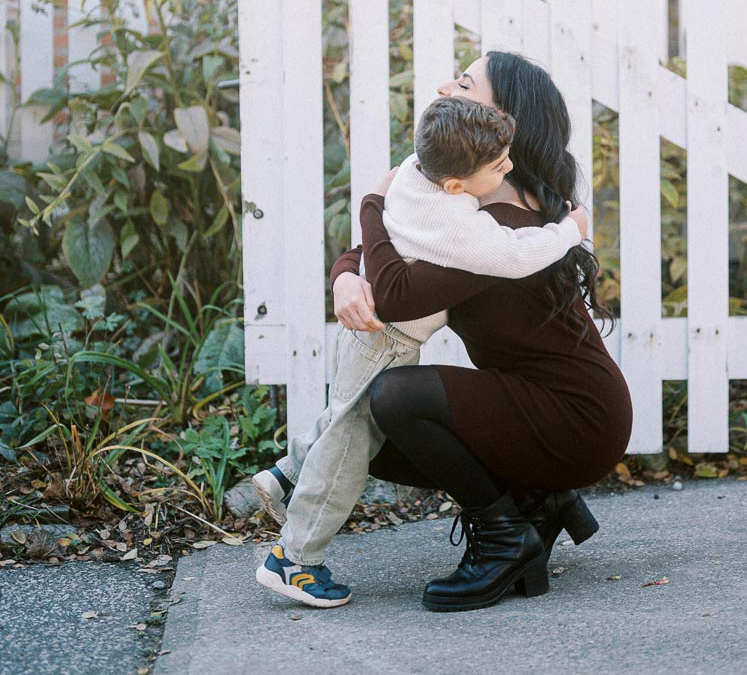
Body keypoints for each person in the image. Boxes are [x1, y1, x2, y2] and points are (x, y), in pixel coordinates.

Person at [254, 95, 588, 608]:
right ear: (456, 185)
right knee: (349, 442)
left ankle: (288, 471)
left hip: (370, 332)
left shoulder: (413, 170)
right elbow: (519, 256)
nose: (510, 167)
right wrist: (570, 230)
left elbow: (376, 221)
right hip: (386, 338)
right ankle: (295, 559)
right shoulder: (459, 228)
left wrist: (367, 208)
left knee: (344, 414)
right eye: (499, 165)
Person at [329, 51, 633, 613]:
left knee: (392, 401)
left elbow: (395, 291)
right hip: (542, 402)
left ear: (504, 119)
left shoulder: (499, 221)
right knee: (363, 434)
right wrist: (346, 276)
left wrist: (372, 198)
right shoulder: (467, 200)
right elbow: (393, 245)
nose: (446, 85)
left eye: (466, 83)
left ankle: (503, 539)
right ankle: (534, 499)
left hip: (577, 416)